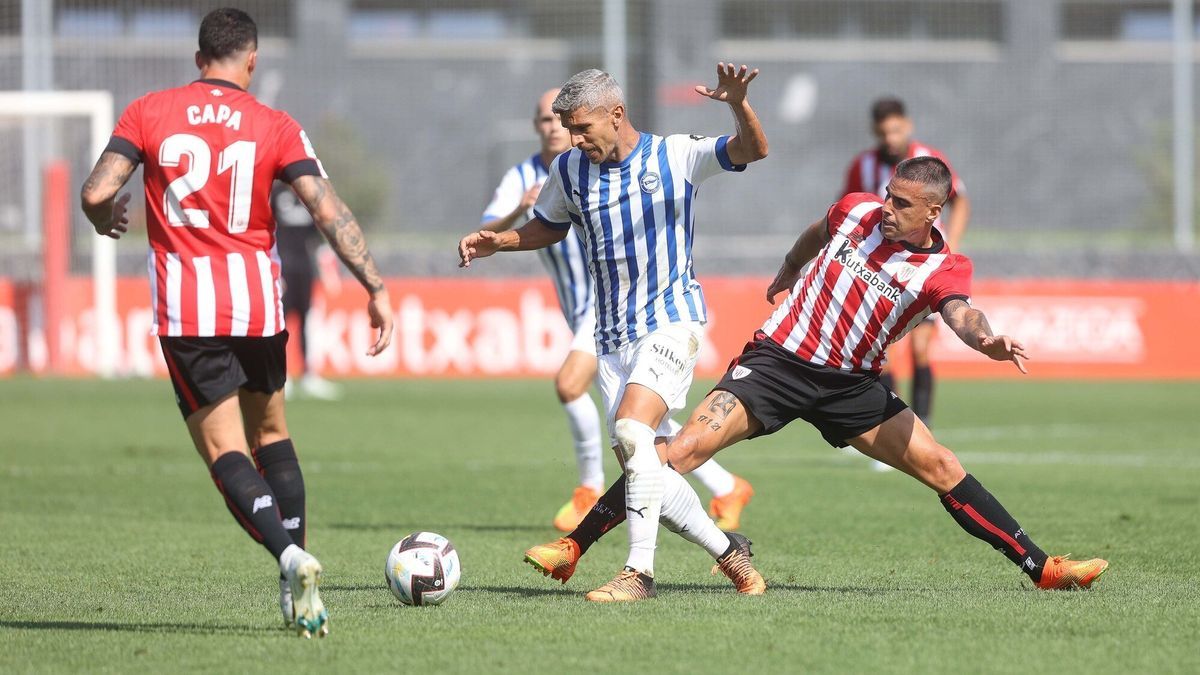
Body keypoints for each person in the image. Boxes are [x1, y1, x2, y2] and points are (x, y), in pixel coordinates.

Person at [536, 157, 1108, 601]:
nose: (887, 208)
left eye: (904, 203)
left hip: (850, 388)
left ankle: (1042, 568)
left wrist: (986, 340)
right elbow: (816, 232)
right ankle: (573, 547)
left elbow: (961, 313)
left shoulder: (944, 268)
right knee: (679, 450)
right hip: (776, 365)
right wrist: (788, 270)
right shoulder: (857, 211)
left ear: (933, 212)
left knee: (944, 468)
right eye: (889, 194)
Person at [79, 8, 393, 637]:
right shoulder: (275, 124)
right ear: (251, 60)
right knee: (272, 433)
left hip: (188, 308)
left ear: (200, 58)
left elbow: (95, 191)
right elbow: (326, 209)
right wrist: (375, 285)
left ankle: (289, 556)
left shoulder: (148, 111)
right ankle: (293, 576)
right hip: (258, 302)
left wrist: (101, 215)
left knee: (225, 448)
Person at [459, 64, 769, 602]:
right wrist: (500, 242)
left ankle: (638, 575)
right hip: (611, 338)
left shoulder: (675, 155)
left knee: (632, 432)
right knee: (646, 468)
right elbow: (550, 224)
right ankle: (729, 553)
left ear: (616, 114)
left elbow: (752, 150)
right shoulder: (571, 170)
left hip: (672, 320)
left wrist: (738, 104)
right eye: (569, 130)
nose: (575, 140)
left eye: (582, 128)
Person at [843, 97, 971, 435]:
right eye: (884, 131)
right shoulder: (863, 166)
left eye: (896, 130)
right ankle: (888, 428)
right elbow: (849, 207)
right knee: (881, 352)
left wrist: (953, 244)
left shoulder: (929, 161)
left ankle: (923, 426)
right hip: (882, 268)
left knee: (921, 349)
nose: (890, 138)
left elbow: (960, 201)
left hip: (923, 266)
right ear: (875, 131)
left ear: (908, 126)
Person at [272, 181, 343, 401]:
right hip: (282, 267)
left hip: (304, 269)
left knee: (306, 320)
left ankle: (309, 374)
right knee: (279, 323)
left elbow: (318, 237)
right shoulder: (275, 194)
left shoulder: (309, 195)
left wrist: (328, 272)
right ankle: (280, 376)